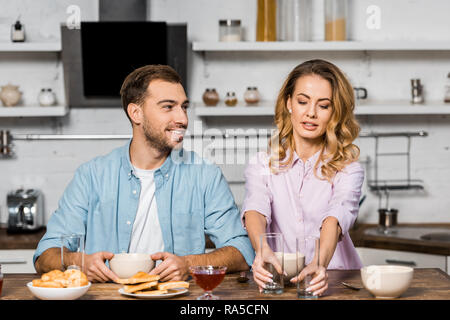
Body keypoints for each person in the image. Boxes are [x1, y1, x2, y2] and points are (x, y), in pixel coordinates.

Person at [34, 64, 254, 282]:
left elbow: (242, 251)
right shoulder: (91, 176)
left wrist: (188, 264)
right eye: (168, 107)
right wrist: (79, 262)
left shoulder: (205, 176)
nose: (183, 119)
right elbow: (45, 255)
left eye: (184, 107)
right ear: (135, 113)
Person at [241, 59, 364, 296]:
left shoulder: (349, 168)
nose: (311, 113)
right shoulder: (262, 164)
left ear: (335, 111)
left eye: (324, 105)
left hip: (337, 282)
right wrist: (261, 250)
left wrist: (319, 262)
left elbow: (335, 216)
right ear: (289, 103)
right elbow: (255, 207)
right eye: (302, 101)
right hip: (282, 282)